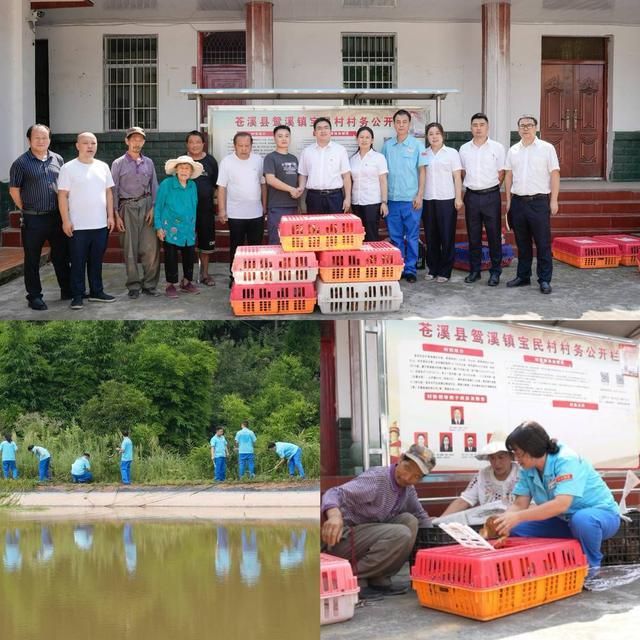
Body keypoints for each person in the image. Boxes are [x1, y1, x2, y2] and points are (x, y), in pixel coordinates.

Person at [493, 421, 620, 586]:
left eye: (518, 453)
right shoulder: (528, 469)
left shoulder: (567, 459)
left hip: (601, 517)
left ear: (531, 449)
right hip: (564, 521)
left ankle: (592, 569)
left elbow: (561, 504)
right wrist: (503, 521)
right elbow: (519, 504)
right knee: (516, 528)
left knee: (582, 520)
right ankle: (545, 567)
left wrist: (517, 516)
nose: (516, 459)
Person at [321, 444, 435, 599]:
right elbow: (334, 492)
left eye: (416, 476)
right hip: (342, 540)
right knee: (401, 533)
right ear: (400, 459)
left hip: (367, 537)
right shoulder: (378, 478)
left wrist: (438, 543)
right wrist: (334, 516)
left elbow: (421, 516)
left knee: (411, 521)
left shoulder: (407, 489)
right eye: (407, 468)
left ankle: (379, 578)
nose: (408, 478)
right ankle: (350, 578)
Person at [9, 124, 71, 310]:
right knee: (32, 259)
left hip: (56, 217)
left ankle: (67, 290)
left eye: (45, 137)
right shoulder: (21, 163)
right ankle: (34, 296)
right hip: (33, 219)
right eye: (37, 138)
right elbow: (14, 191)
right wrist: (27, 209)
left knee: (61, 256)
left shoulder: (57, 159)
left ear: (50, 139)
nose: (41, 141)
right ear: (29, 140)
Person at [57, 131, 116, 310]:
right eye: (86, 143)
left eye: (93, 143)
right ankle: (77, 295)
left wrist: (110, 215)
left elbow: (108, 192)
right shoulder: (68, 168)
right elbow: (62, 196)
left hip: (100, 224)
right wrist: (65, 220)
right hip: (78, 226)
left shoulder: (103, 166)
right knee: (77, 261)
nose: (90, 146)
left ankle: (97, 291)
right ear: (77, 146)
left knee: (96, 260)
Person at [504, 115, 560, 294]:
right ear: (518, 129)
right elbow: (509, 176)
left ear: (536, 127)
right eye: (522, 126)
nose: (525, 128)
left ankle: (544, 279)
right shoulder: (513, 150)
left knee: (542, 243)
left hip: (539, 202)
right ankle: (523, 276)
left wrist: (554, 199)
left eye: (529, 125)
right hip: (518, 202)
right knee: (522, 242)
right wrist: (508, 201)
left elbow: (554, 174)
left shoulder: (546, 148)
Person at [110, 126, 160, 298]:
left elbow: (155, 186)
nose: (137, 142)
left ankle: (150, 284)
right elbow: (113, 190)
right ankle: (133, 285)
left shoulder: (149, 162)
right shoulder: (118, 163)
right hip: (127, 207)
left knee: (151, 248)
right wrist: (116, 214)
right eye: (133, 139)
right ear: (127, 141)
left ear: (144, 142)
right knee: (129, 248)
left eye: (140, 139)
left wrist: (154, 207)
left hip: (147, 206)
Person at [459, 113, 506, 286]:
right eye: (475, 125)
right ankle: (475, 271)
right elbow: (463, 172)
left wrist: (492, 188)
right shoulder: (464, 149)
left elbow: (502, 173)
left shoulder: (498, 148)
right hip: (471, 196)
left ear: (488, 127)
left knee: (493, 235)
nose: (478, 128)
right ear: (471, 127)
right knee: (473, 235)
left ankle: (495, 272)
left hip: (491, 196)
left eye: (481, 124)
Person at [382, 110, 426, 283]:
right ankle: (398, 267)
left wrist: (420, 195)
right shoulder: (387, 146)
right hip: (392, 200)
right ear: (393, 124)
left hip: (411, 200)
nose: (401, 125)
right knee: (396, 236)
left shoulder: (417, 145)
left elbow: (422, 171)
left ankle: (411, 269)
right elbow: (382, 173)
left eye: (404, 122)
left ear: (409, 124)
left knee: (413, 236)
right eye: (398, 122)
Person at [217, 133, 266, 287]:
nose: (244, 149)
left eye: (247, 145)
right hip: (235, 213)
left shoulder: (258, 160)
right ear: (235, 145)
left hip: (256, 212)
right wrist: (222, 210)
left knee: (255, 247)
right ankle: (235, 277)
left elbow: (263, 184)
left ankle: (254, 276)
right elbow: (222, 187)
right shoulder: (227, 162)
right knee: (236, 246)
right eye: (240, 145)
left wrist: (264, 205)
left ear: (251, 145)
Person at [154, 155, 201, 298]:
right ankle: (170, 285)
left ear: (191, 172)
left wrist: (194, 226)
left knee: (189, 256)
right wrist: (158, 227)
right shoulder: (167, 184)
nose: (184, 171)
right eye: (181, 168)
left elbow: (194, 206)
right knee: (171, 257)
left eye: (187, 168)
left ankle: (186, 282)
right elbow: (158, 207)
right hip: (170, 228)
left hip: (188, 228)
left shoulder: (193, 185)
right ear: (176, 169)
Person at [421, 122, 463, 283]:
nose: (434, 136)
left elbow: (457, 177)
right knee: (431, 236)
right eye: (431, 134)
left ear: (442, 135)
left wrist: (458, 197)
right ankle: (433, 268)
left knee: (446, 236)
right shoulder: (424, 154)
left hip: (447, 199)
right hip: (429, 198)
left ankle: (445, 270)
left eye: (437, 133)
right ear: (427, 137)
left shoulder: (451, 153)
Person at [441, 431, 519, 516]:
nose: (497, 463)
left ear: (511, 456)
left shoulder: (521, 474)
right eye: (492, 458)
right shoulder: (483, 475)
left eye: (501, 457)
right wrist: (440, 520)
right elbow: (463, 501)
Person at [185, 130, 218, 286]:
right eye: (191, 142)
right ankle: (188, 276)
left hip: (206, 211)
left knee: (206, 244)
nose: (195, 145)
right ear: (187, 144)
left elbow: (217, 186)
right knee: (187, 244)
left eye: (198, 142)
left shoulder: (211, 161)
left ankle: (205, 274)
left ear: (203, 144)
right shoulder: (182, 162)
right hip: (185, 212)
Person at [298, 117, 351, 214]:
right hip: (314, 197)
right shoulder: (307, 151)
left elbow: (346, 176)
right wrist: (300, 189)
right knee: (314, 227)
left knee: (335, 228)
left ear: (331, 131)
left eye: (326, 127)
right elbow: (303, 174)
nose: (323, 131)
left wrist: (348, 198)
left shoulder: (340, 150)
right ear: (314, 132)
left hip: (335, 197)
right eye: (319, 128)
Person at [349, 126, 389, 241]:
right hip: (356, 203)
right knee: (357, 236)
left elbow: (383, 181)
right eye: (361, 137)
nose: (364, 140)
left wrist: (384, 202)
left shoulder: (379, 158)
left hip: (372, 203)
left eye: (367, 137)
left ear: (372, 140)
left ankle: (371, 258)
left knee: (371, 236)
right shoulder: (353, 159)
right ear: (357, 139)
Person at [263, 125, 302, 244]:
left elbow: (298, 179)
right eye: (280, 136)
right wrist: (291, 189)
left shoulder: (294, 158)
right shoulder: (270, 158)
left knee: (293, 240)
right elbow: (270, 179)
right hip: (277, 207)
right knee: (276, 240)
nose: (284, 139)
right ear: (274, 138)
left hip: (293, 206)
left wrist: (298, 192)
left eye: (286, 136)